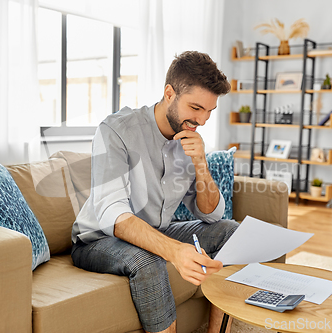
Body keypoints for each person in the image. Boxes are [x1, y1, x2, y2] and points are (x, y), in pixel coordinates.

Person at [71, 51, 239, 333]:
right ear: (169, 93)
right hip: (97, 240)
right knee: (148, 259)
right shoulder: (116, 131)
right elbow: (115, 215)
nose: (203, 120)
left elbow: (212, 215)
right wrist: (175, 252)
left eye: (210, 111)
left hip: (154, 230)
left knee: (229, 230)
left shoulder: (189, 139)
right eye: (196, 108)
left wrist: (200, 163)